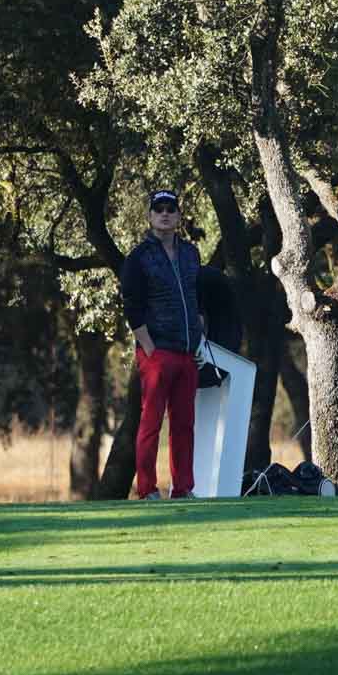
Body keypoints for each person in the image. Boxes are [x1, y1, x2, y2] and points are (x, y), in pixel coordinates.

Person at [121, 188, 206, 499]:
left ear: (179, 215)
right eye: (159, 209)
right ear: (150, 216)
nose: (165, 214)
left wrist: (199, 336)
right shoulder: (139, 257)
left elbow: (198, 297)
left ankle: (183, 488)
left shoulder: (191, 254)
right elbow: (131, 305)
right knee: (151, 423)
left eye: (171, 209)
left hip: (187, 352)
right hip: (157, 353)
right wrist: (149, 347)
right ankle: (146, 489)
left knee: (184, 425)